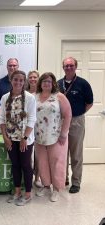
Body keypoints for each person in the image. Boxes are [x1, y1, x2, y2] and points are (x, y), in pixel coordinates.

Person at [0, 70, 36, 206]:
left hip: (24, 139)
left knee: (26, 165)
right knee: (15, 165)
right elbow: (1, 118)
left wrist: (25, 138)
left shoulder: (30, 98)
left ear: (24, 81)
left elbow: (32, 118)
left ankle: (27, 194)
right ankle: (17, 192)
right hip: (10, 139)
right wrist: (5, 137)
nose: (18, 82)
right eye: (16, 79)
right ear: (11, 80)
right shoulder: (4, 98)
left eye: (21, 80)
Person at [57, 57, 93, 194]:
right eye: (66, 66)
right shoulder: (58, 84)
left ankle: (76, 182)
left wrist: (78, 114)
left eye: (71, 65)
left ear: (76, 66)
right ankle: (63, 178)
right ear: (63, 67)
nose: (69, 68)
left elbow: (89, 102)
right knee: (62, 153)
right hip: (60, 121)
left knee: (76, 153)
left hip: (77, 121)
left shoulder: (83, 84)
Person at [34, 72, 72, 202]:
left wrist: (63, 133)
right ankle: (46, 186)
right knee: (42, 163)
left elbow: (68, 115)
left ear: (53, 83)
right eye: (44, 81)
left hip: (56, 136)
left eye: (49, 81)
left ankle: (56, 189)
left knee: (56, 163)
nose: (46, 83)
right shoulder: (35, 96)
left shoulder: (59, 96)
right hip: (39, 137)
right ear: (40, 83)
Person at [26, 70, 43, 188]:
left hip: (40, 127)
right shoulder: (24, 93)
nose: (33, 79)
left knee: (38, 155)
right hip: (27, 127)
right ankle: (28, 177)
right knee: (28, 154)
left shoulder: (42, 93)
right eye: (30, 77)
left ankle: (37, 178)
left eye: (35, 77)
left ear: (38, 79)